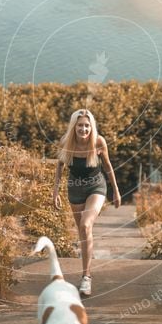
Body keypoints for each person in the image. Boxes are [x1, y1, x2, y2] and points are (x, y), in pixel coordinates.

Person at [52, 108, 121, 296]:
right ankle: (87, 264)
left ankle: (86, 278)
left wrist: (115, 190)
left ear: (92, 127)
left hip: (96, 187)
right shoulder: (66, 142)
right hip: (74, 188)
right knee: (82, 232)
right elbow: (59, 166)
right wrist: (55, 191)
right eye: (80, 125)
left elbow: (107, 166)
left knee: (86, 224)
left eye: (87, 125)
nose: (84, 129)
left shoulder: (99, 142)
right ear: (74, 127)